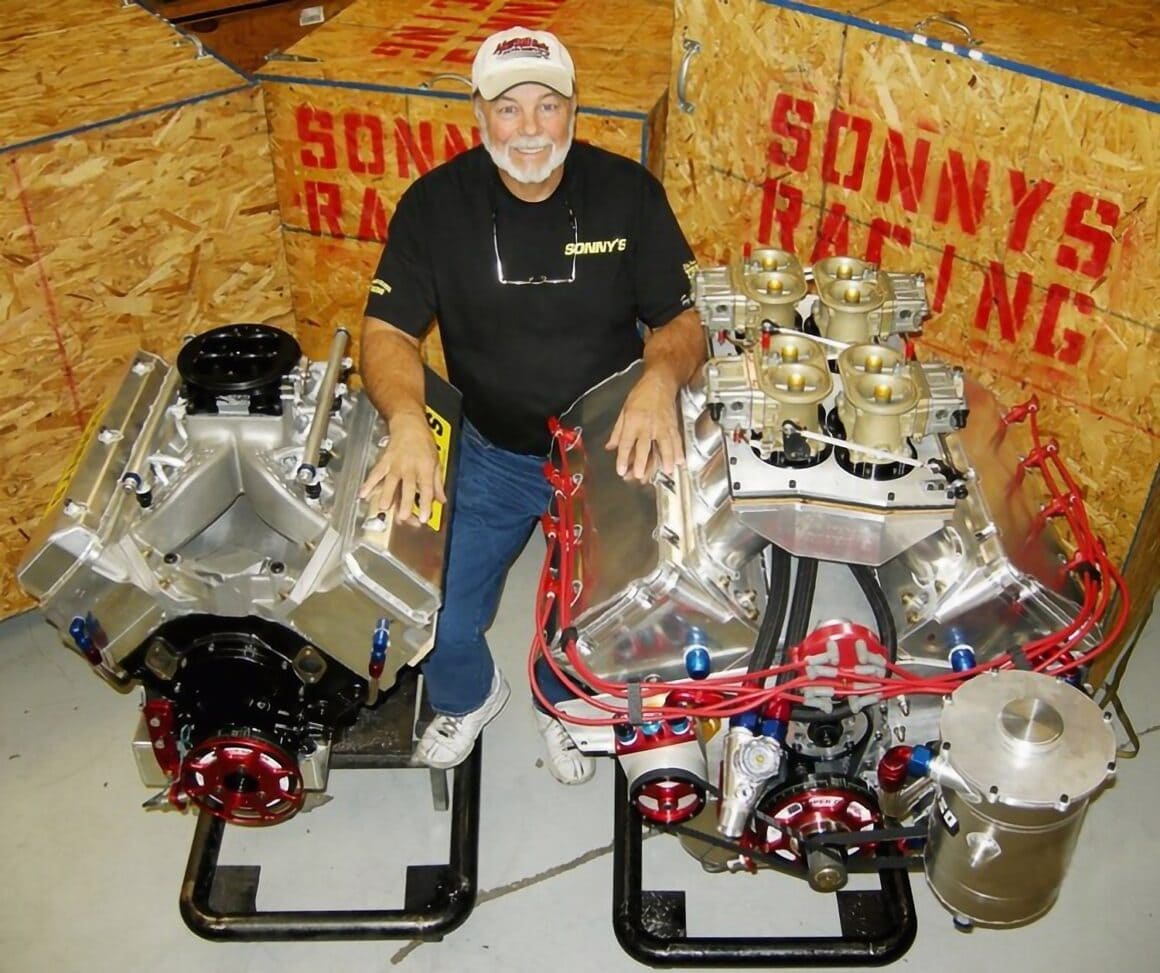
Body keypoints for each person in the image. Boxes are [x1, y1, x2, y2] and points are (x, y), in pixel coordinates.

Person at [358, 26, 706, 784]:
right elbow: (386, 332)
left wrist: (659, 383)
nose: (529, 129)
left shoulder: (626, 193)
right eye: (508, 108)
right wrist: (407, 422)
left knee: (606, 615)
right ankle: (468, 697)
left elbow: (683, 320)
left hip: (608, 448)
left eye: (547, 106)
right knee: (437, 613)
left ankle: (564, 703)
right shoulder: (435, 205)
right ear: (479, 114)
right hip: (493, 451)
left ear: (573, 110)